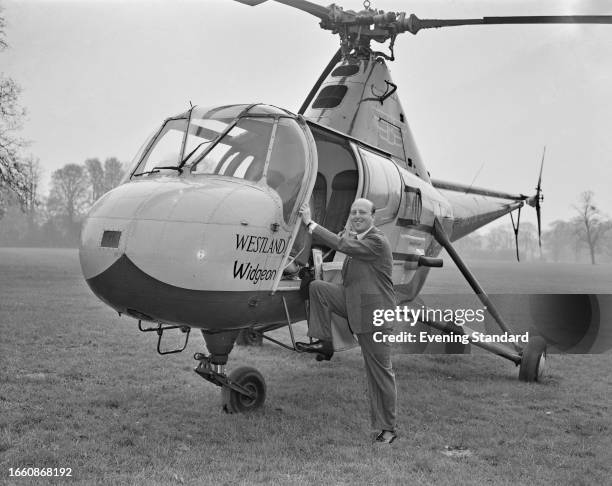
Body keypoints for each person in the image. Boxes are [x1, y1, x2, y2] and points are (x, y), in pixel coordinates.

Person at [296, 198, 398, 444]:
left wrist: (310, 224)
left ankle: (388, 430)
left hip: (374, 317)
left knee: (380, 374)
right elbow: (351, 271)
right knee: (318, 288)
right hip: (355, 305)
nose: (357, 215)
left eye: (362, 212)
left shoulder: (376, 241)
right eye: (353, 212)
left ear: (373, 216)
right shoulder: (360, 241)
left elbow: (343, 244)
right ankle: (325, 342)